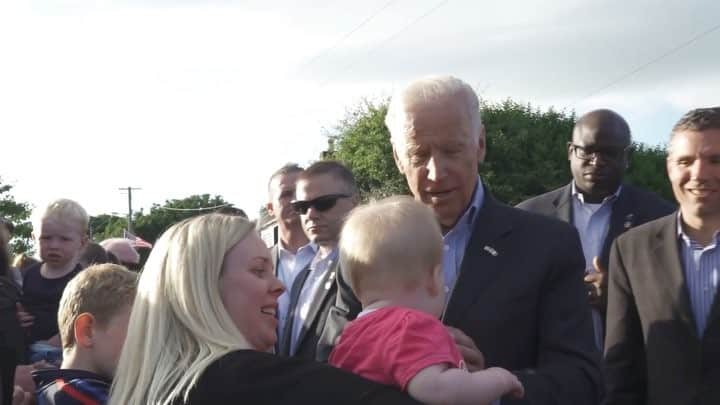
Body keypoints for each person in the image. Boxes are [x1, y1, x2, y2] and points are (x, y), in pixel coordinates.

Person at [346, 75, 600, 404]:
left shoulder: (547, 245)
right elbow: (331, 361)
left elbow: (581, 380)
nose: (436, 172)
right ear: (397, 158)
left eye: (452, 150)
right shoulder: (368, 247)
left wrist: (488, 387)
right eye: (419, 155)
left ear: (480, 144)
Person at [108, 213, 420, 405]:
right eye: (259, 271)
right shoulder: (244, 379)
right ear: (203, 287)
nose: (279, 286)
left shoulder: (153, 387)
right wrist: (425, 363)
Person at [330, 196, 524, 405]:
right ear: (434, 278)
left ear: (357, 289)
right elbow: (441, 390)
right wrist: (498, 378)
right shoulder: (411, 326)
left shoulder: (349, 336)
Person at [517, 109, 675, 348]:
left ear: (627, 156)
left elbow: (675, 297)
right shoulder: (527, 216)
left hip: (631, 367)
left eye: (609, 153)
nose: (597, 161)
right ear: (571, 151)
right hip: (551, 365)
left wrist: (622, 295)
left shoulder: (660, 217)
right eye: (587, 151)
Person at [604, 106, 720, 405]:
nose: (699, 173)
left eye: (715, 160)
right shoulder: (631, 250)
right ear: (669, 167)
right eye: (686, 161)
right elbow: (622, 370)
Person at [281, 161, 361, 360]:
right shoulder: (302, 275)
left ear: (354, 201)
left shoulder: (367, 264)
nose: (310, 214)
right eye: (302, 206)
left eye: (323, 203)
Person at [33, 263, 137, 405]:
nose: (146, 343)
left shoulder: (55, 390)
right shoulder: (78, 396)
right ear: (87, 331)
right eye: (136, 330)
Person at [19, 199, 89, 363]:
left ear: (82, 242)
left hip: (65, 353)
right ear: (34, 237)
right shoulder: (28, 274)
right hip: (26, 351)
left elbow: (86, 318)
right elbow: (22, 306)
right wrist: (18, 316)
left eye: (64, 239)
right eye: (46, 238)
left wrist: (55, 342)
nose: (54, 245)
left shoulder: (84, 280)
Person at [265, 163, 316, 353]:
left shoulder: (335, 258)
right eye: (286, 194)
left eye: (300, 192)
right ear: (270, 208)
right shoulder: (261, 266)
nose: (295, 200)